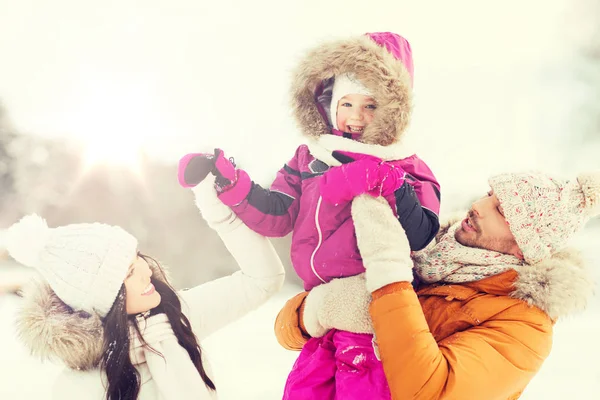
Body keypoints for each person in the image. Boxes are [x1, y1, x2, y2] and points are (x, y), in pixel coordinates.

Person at [177, 32, 440, 399]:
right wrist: (232, 183)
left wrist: (386, 181)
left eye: (371, 106)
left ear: (392, 110)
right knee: (304, 389)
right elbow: (278, 213)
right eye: (347, 103)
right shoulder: (310, 157)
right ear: (330, 103)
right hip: (322, 310)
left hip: (373, 316)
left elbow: (423, 233)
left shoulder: (405, 164)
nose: (356, 118)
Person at [275, 170, 599, 399]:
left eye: (501, 210)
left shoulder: (525, 328)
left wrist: (390, 283)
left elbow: (430, 392)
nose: (478, 206)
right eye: (489, 194)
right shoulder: (422, 252)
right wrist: (315, 310)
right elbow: (286, 333)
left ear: (524, 247)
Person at [7, 176, 285, 400]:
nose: (145, 270)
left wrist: (220, 214)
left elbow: (263, 280)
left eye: (137, 257)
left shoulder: (175, 318)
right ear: (104, 301)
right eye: (128, 272)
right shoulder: (76, 388)